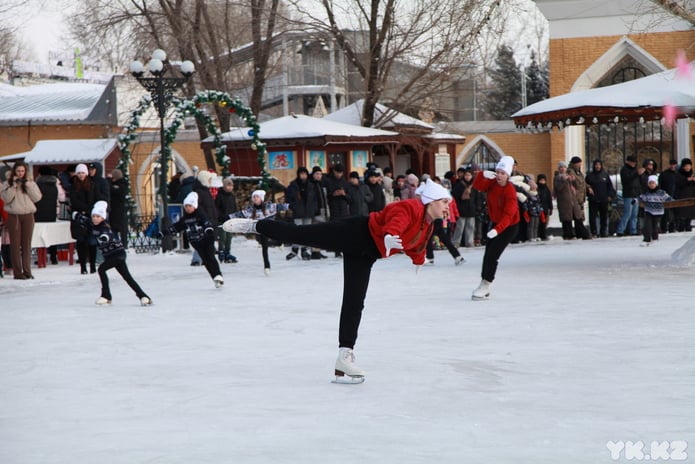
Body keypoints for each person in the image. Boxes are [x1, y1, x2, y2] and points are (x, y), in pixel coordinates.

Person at [223, 179, 452, 381]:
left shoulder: (428, 225)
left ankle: (344, 356)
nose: (446, 208)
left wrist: (419, 259)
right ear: (431, 201)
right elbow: (397, 219)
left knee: (354, 302)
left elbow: (418, 245)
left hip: (367, 253)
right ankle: (256, 225)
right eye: (444, 203)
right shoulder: (411, 206)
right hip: (356, 232)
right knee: (302, 235)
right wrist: (391, 235)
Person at [73, 201, 152, 305]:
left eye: (98, 216)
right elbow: (85, 219)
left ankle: (106, 295)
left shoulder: (104, 226)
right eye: (94, 216)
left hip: (117, 255)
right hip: (111, 256)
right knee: (127, 277)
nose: (95, 218)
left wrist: (104, 238)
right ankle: (143, 296)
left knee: (101, 269)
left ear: (103, 217)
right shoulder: (92, 223)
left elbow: (107, 234)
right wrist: (76, 215)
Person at [471, 156, 519, 300]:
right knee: (488, 254)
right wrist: (481, 175)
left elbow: (508, 215)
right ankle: (483, 283)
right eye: (497, 172)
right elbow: (478, 186)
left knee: (493, 255)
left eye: (502, 173)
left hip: (509, 226)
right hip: (495, 223)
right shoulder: (492, 183)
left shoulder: (509, 191)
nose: (499, 175)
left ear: (508, 175)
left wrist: (497, 230)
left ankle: (486, 284)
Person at [165, 192, 224, 287]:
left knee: (210, 257)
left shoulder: (200, 214)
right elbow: (176, 227)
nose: (187, 208)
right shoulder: (184, 219)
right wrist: (163, 233)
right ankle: (214, 278)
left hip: (207, 239)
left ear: (194, 206)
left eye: (190, 206)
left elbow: (206, 222)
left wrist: (208, 229)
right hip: (196, 242)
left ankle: (218, 275)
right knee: (205, 260)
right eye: (186, 206)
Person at [0, 162, 42, 279]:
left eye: (22, 171)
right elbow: (6, 199)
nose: (20, 173)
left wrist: (28, 185)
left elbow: (37, 197)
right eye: (18, 171)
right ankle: (17, 272)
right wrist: (13, 186)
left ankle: (27, 271)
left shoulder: (30, 182)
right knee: (15, 245)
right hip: (14, 216)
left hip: (28, 215)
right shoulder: (6, 183)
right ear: (14, 171)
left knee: (26, 244)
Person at [232, 189, 288, 275]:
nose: (255, 199)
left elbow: (282, 206)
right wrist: (227, 217)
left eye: (257, 197)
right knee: (264, 246)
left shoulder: (269, 206)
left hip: (271, 227)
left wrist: (292, 206)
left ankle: (279, 243)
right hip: (261, 230)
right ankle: (267, 266)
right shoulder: (250, 210)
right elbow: (239, 214)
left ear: (261, 198)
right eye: (253, 197)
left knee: (276, 234)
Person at [70, 163, 103, 274]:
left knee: (92, 242)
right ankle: (83, 266)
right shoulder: (73, 186)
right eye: (79, 173)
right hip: (79, 217)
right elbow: (74, 201)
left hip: (91, 216)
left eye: (83, 173)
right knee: (81, 242)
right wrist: (83, 210)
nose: (81, 175)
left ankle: (93, 266)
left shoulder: (93, 185)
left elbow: (97, 199)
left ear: (86, 173)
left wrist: (90, 211)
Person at [34, 166, 62, 264]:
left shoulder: (37, 184)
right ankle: (54, 257)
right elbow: (61, 197)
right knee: (51, 235)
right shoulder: (55, 184)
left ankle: (41, 257)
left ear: (40, 174)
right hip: (51, 213)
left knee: (39, 236)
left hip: (39, 214)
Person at [324, 164, 351, 258]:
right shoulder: (328, 181)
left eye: (341, 173)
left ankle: (345, 249)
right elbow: (326, 196)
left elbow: (350, 198)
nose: (339, 174)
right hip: (333, 209)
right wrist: (333, 194)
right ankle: (336, 250)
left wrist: (344, 194)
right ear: (334, 171)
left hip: (344, 210)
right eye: (337, 172)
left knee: (344, 231)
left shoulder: (345, 182)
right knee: (335, 230)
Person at [585, 159, 615, 237]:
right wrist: (588, 191)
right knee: (592, 217)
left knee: (604, 217)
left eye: (599, 165)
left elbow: (610, 187)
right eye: (596, 165)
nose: (597, 166)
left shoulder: (605, 175)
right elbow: (585, 186)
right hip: (593, 200)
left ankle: (603, 231)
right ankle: (594, 232)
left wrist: (610, 195)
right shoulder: (589, 176)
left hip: (603, 199)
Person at [638, 175, 672, 246]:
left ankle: (655, 238)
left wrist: (674, 201)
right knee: (647, 225)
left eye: (653, 183)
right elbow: (640, 198)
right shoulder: (646, 193)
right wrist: (635, 201)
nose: (651, 185)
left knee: (655, 226)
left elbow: (668, 198)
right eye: (650, 183)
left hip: (658, 211)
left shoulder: (661, 193)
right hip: (648, 210)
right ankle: (646, 239)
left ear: (656, 184)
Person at [615, 155, 644, 236]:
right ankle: (620, 230)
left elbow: (639, 182)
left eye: (634, 162)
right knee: (627, 213)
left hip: (636, 194)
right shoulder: (624, 170)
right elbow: (627, 180)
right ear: (628, 161)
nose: (634, 164)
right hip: (628, 194)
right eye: (632, 162)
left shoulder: (635, 170)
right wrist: (636, 174)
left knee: (634, 214)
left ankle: (633, 230)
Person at [214, 177, 239, 263]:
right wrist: (220, 216)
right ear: (224, 186)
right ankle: (221, 251)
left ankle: (227, 252)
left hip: (230, 220)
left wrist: (235, 215)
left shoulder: (232, 196)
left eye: (231, 186)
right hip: (222, 219)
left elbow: (234, 207)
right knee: (223, 237)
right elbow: (216, 208)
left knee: (229, 237)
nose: (230, 187)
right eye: (228, 186)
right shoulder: (220, 196)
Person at [567, 156, 591, 239]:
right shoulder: (571, 172)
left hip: (580, 197)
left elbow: (583, 182)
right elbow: (574, 182)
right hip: (575, 197)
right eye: (578, 163)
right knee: (578, 216)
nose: (580, 165)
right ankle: (582, 233)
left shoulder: (579, 172)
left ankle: (579, 232)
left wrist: (588, 187)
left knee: (580, 216)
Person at [451, 169, 476, 248]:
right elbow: (454, 197)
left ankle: (469, 242)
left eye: (469, 175)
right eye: (466, 175)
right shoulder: (459, 185)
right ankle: (456, 242)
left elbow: (477, 197)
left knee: (470, 226)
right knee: (459, 227)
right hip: (461, 208)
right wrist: (457, 207)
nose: (467, 177)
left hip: (471, 208)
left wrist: (477, 207)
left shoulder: (474, 185)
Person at [109, 169, 129, 249]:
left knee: (117, 230)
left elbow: (113, 190)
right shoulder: (122, 184)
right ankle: (121, 245)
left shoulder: (120, 185)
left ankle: (121, 245)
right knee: (118, 230)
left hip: (117, 211)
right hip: (117, 211)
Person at [674, 158, 695, 232]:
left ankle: (688, 226)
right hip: (682, 196)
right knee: (682, 214)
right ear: (683, 167)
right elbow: (678, 184)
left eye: (689, 166)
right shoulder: (679, 174)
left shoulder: (692, 173)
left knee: (690, 213)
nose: (688, 168)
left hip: (691, 196)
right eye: (686, 166)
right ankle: (680, 227)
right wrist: (687, 180)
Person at [659, 159, 679, 233]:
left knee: (674, 213)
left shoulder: (678, 174)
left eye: (674, 164)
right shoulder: (664, 174)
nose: (673, 166)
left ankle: (672, 228)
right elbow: (660, 185)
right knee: (665, 213)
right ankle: (663, 228)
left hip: (676, 195)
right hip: (665, 196)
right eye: (672, 164)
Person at [536, 174, 553, 241]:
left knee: (544, 222)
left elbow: (549, 199)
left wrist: (551, 208)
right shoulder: (537, 188)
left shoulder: (546, 189)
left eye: (543, 180)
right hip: (538, 208)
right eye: (541, 180)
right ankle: (539, 234)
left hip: (545, 208)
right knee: (539, 223)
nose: (542, 182)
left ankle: (543, 234)